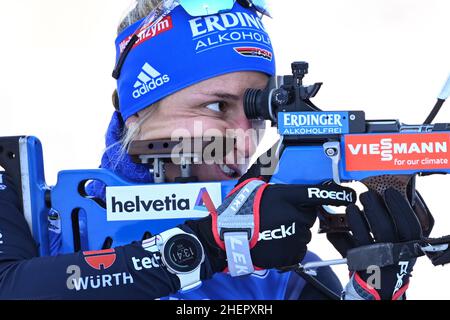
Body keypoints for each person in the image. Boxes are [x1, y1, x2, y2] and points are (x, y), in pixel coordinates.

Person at [0, 0, 426, 300]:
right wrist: (207, 246)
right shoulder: (30, 217)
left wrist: (373, 289)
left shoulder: (280, 272)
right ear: (137, 113)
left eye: (258, 110)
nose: (244, 134)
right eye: (216, 105)